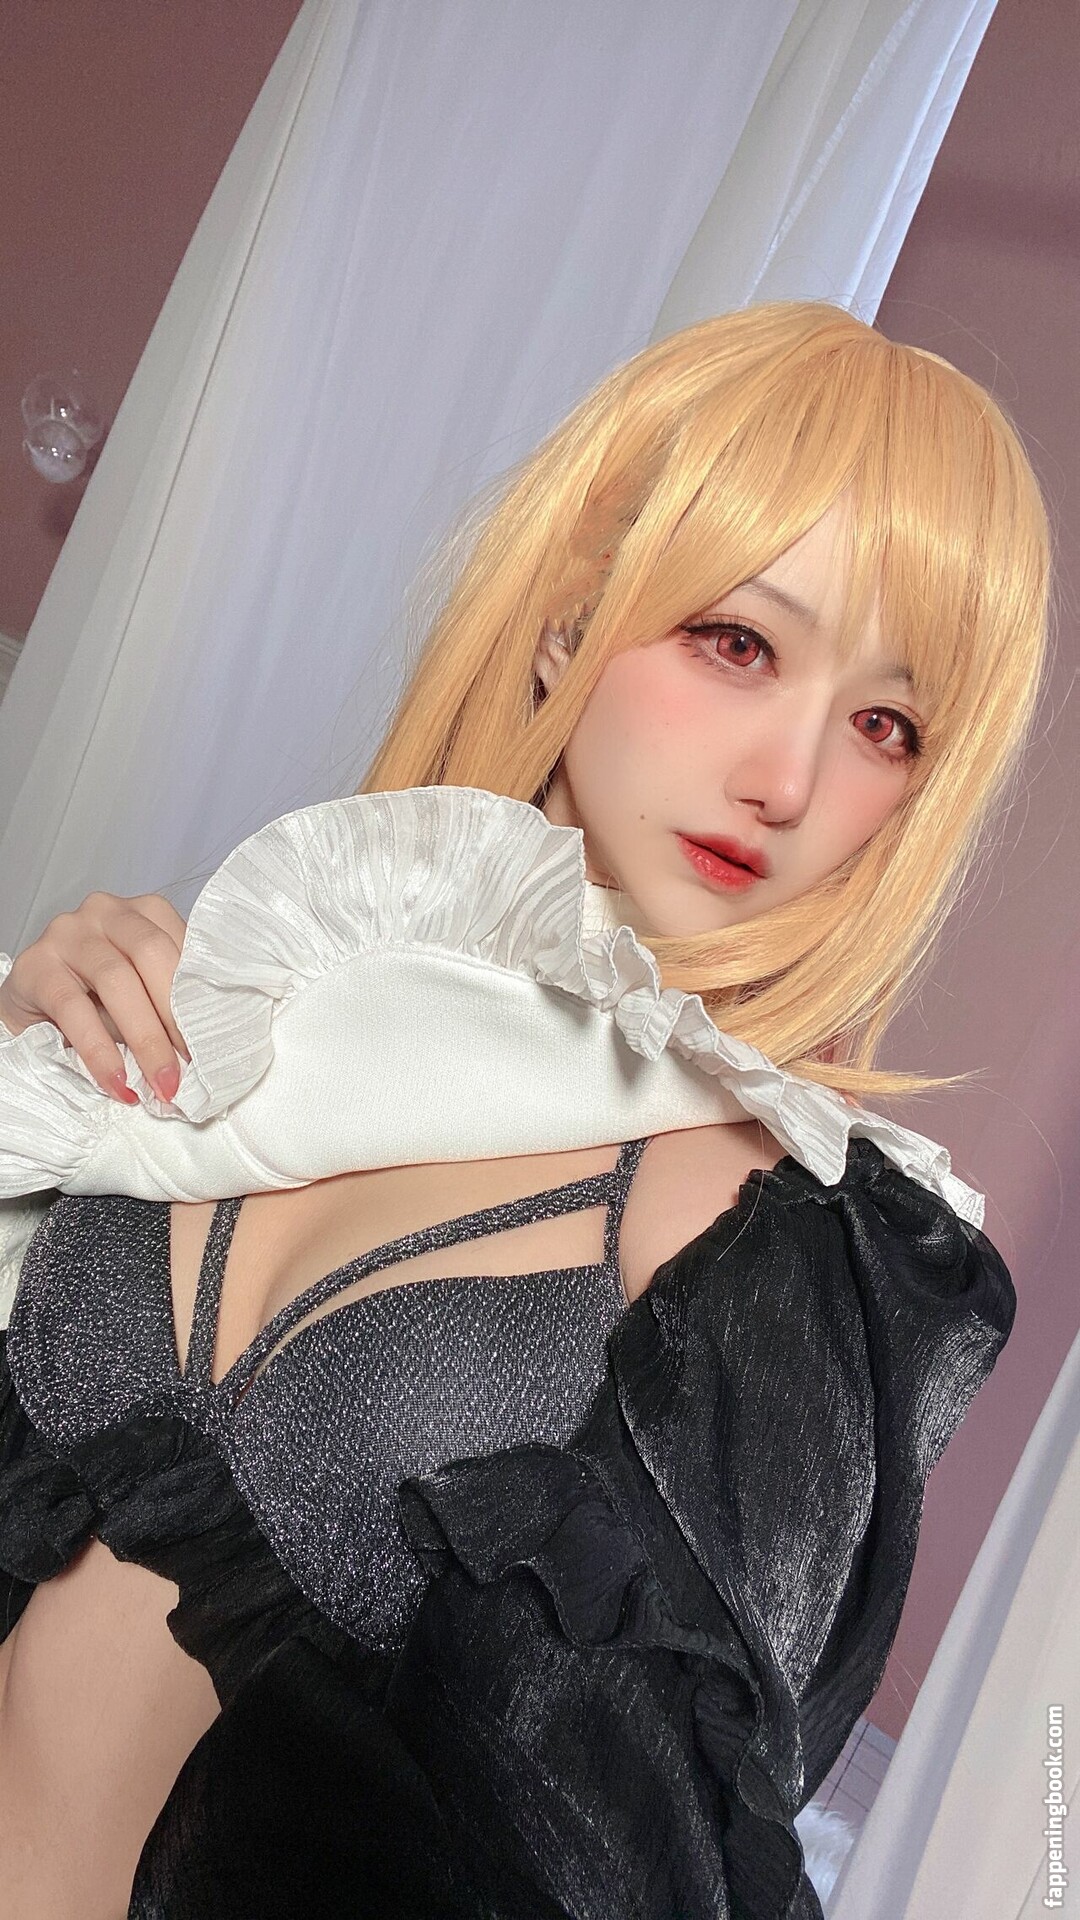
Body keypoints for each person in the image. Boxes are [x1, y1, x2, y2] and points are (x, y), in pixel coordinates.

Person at [0, 300, 1049, 1919]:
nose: (786, 778)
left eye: (883, 727)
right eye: (739, 643)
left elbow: (634, 1869)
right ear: (567, 623)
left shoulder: (782, 1248)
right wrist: (25, 1054)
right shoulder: (273, 982)